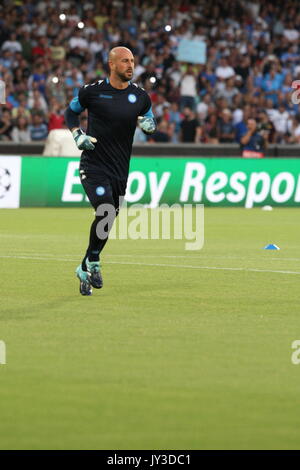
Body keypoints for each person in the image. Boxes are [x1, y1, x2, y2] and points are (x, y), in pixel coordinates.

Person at [64, 46, 156, 296]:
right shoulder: (91, 92)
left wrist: (149, 123)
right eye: (125, 61)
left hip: (120, 170)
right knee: (104, 208)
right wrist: (77, 135)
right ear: (112, 64)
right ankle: (94, 262)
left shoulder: (140, 96)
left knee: (109, 218)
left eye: (133, 61)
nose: (131, 65)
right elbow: (70, 113)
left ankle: (85, 265)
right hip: (93, 165)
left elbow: (148, 116)